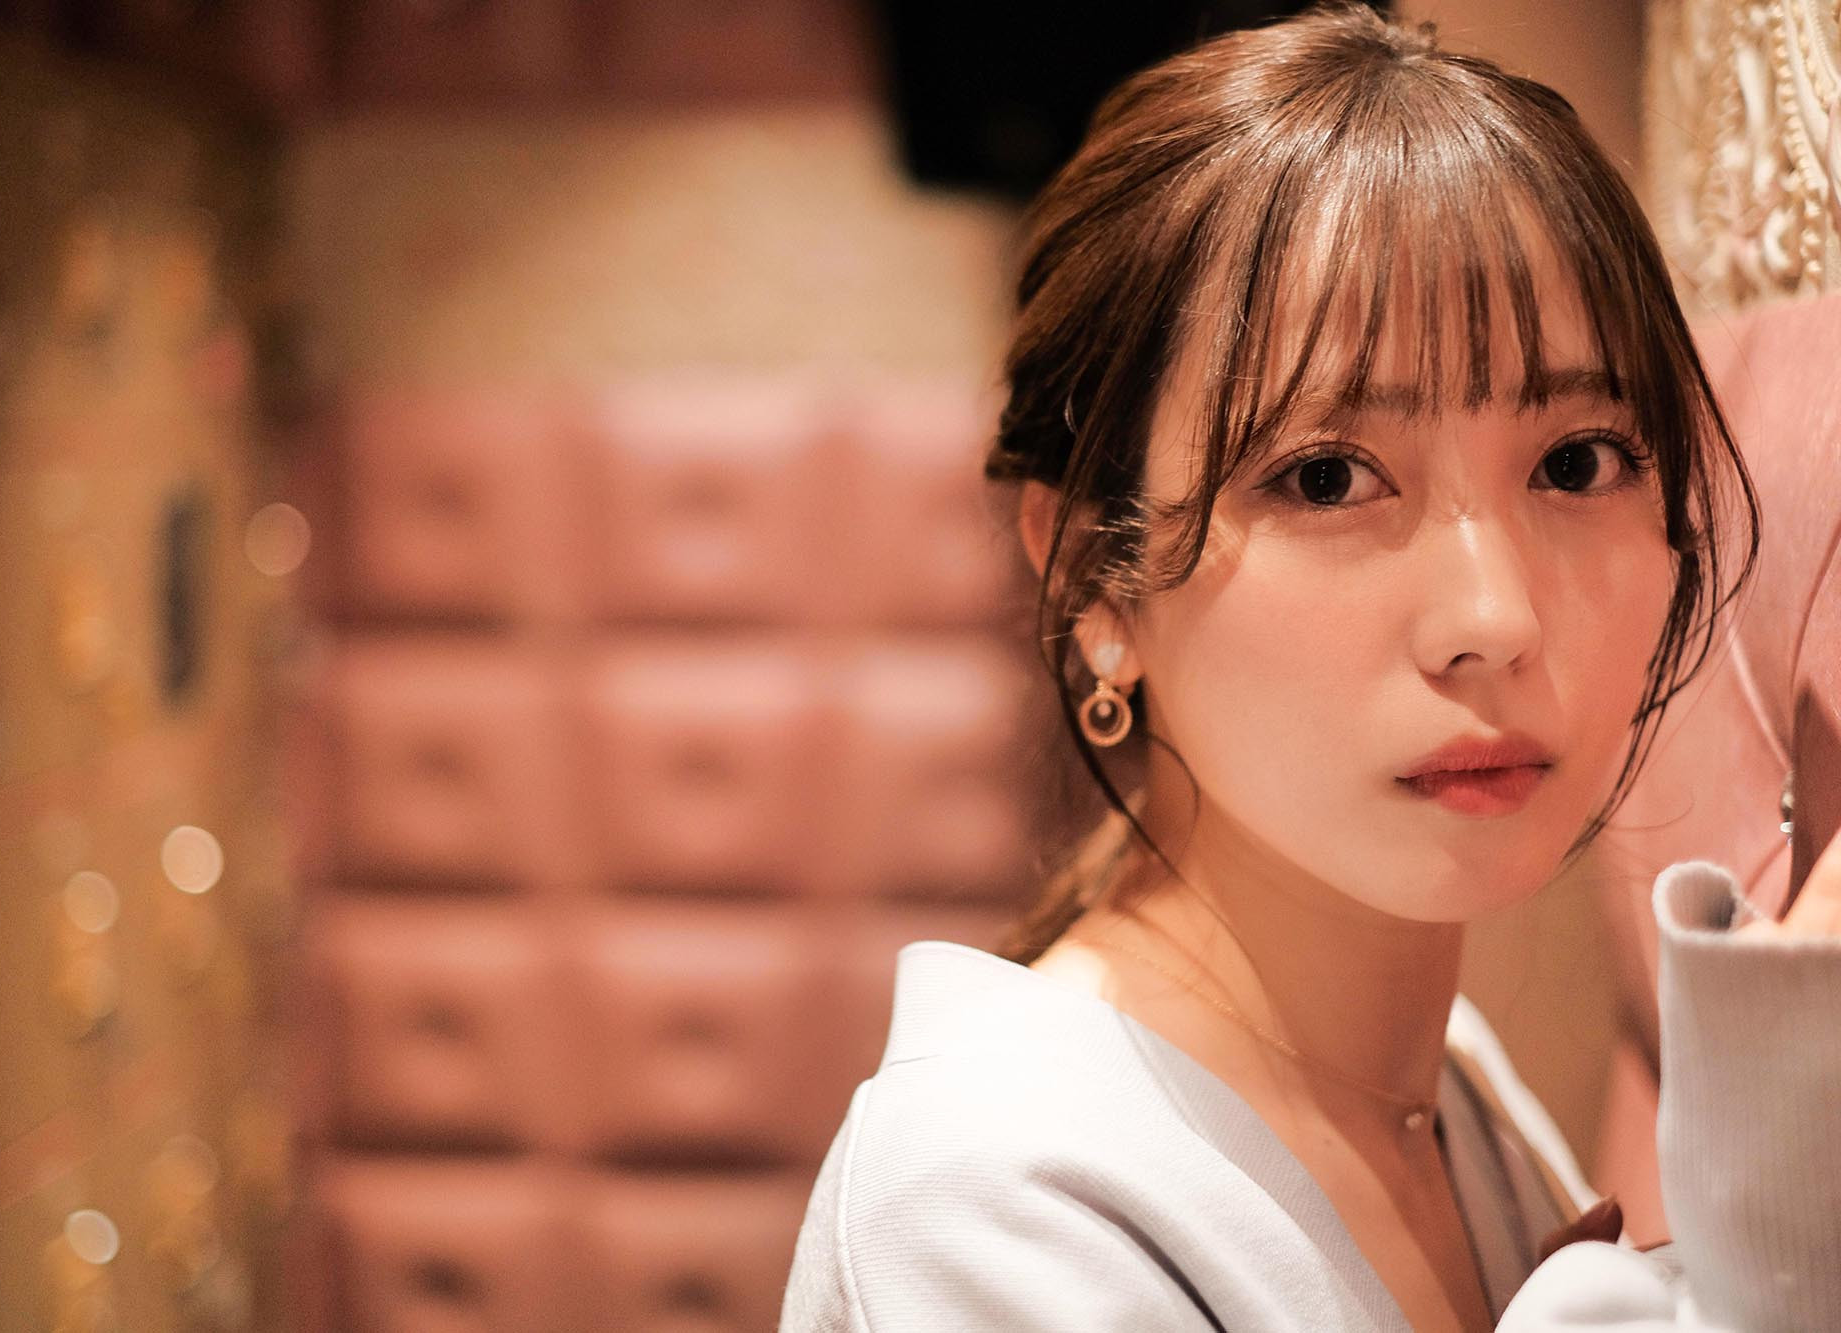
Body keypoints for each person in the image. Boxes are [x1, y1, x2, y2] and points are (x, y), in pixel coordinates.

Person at [778, 4, 1841, 1330]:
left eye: (1576, 461)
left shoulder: (1444, 1086)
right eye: (1327, 478)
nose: (1494, 615)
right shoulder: (987, 1198)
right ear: (1095, 578)